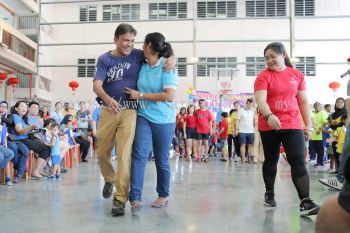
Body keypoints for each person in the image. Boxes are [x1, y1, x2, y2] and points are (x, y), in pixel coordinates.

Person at [93, 23, 176, 217]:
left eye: (132, 41)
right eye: (125, 40)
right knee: (102, 152)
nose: (129, 44)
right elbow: (97, 85)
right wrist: (107, 99)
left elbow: (162, 49)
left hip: (131, 111)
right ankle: (108, 178)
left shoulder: (139, 54)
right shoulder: (105, 59)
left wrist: (173, 57)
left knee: (124, 155)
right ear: (116, 39)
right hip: (108, 109)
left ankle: (121, 199)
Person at [254, 42, 319, 216]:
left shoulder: (296, 75)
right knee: (271, 159)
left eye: (273, 56)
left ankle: (305, 201)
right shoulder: (263, 77)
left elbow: (303, 101)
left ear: (283, 55)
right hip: (269, 124)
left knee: (298, 159)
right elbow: (261, 101)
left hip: (292, 123)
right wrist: (269, 116)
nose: (269, 60)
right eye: (266, 58)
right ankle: (269, 192)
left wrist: (309, 126)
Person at [125, 32, 178, 214]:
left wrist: (139, 95)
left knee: (161, 158)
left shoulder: (167, 66)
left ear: (148, 45)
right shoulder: (143, 62)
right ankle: (135, 197)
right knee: (139, 155)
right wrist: (173, 54)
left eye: (142, 44)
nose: (140, 47)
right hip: (143, 116)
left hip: (164, 120)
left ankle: (163, 195)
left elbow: (169, 96)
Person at [11, 101, 51, 180]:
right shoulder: (16, 116)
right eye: (22, 107)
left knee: (47, 147)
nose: (24, 108)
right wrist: (31, 127)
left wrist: (34, 130)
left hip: (26, 138)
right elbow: (19, 131)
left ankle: (39, 169)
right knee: (46, 149)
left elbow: (26, 131)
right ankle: (35, 171)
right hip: (22, 139)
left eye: (25, 107)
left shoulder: (22, 118)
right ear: (16, 108)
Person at [0, 100, 29, 183]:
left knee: (25, 150)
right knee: (13, 148)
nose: (3, 109)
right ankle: (20, 171)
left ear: (7, 109)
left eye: (5, 107)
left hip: (12, 138)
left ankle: (19, 174)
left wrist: (0, 117)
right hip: (7, 141)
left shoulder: (10, 116)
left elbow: (9, 122)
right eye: (1, 106)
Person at [235, 98, 255, 163]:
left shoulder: (253, 111)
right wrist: (236, 129)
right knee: (242, 145)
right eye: (251, 104)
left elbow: (255, 120)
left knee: (250, 145)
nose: (252, 106)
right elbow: (237, 120)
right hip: (242, 131)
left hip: (251, 131)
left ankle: (249, 159)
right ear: (247, 103)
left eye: (252, 105)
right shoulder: (241, 110)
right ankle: (243, 158)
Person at [310, 102, 328, 167]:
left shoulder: (323, 113)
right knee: (315, 148)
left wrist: (320, 130)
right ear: (314, 106)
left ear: (320, 106)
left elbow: (325, 122)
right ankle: (316, 161)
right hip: (313, 134)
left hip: (320, 133)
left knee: (320, 149)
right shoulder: (312, 113)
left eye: (318, 105)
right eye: (315, 105)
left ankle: (320, 162)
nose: (317, 106)